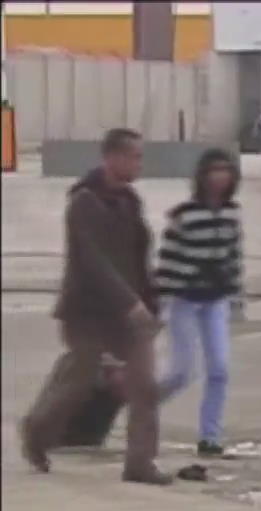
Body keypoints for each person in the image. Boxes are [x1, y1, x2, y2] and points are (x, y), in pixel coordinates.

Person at [19, 128, 169, 485]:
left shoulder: (130, 201)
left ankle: (140, 463)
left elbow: (138, 259)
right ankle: (36, 434)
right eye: (134, 156)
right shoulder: (84, 202)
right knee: (79, 382)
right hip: (87, 312)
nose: (139, 164)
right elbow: (92, 261)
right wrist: (129, 302)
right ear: (112, 158)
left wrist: (153, 303)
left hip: (130, 314)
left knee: (144, 386)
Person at [155, 148, 243, 457]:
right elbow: (166, 262)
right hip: (184, 301)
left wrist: (235, 294)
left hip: (215, 300)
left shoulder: (232, 213)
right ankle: (145, 408)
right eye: (213, 170)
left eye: (226, 170)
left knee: (219, 369)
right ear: (202, 176)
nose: (220, 176)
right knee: (181, 371)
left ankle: (210, 436)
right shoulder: (185, 215)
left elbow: (234, 257)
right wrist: (161, 300)